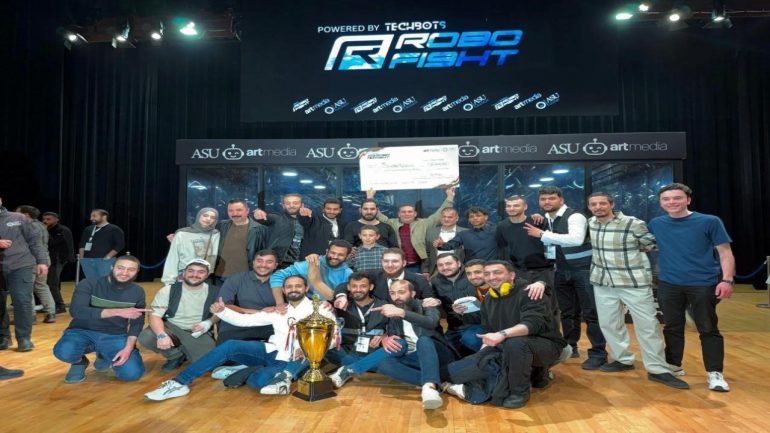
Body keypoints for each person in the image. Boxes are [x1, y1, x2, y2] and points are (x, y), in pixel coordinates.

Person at [144, 275, 335, 401]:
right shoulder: (279, 310)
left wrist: (307, 348)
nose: (293, 289)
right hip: (272, 351)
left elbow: (333, 338)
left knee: (259, 382)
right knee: (231, 345)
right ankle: (179, 383)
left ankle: (248, 370)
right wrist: (222, 311)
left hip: (295, 359)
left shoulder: (321, 309)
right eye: (289, 286)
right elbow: (244, 321)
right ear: (283, 290)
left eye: (298, 286)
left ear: (306, 288)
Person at [586, 192, 688, 389]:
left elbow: (652, 244)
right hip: (603, 283)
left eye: (602, 203)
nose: (598, 207)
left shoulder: (633, 223)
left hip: (633, 283)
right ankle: (622, 359)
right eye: (593, 204)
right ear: (589, 207)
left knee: (648, 326)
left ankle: (658, 369)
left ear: (611, 204)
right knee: (609, 324)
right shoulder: (591, 223)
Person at [648, 183, 735, 392]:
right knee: (672, 327)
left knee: (708, 328)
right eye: (666, 199)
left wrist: (727, 280)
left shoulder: (709, 221)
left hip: (703, 284)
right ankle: (673, 365)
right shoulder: (656, 223)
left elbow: (725, 253)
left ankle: (715, 373)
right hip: (669, 283)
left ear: (688, 200)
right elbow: (645, 245)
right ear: (661, 203)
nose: (672, 202)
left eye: (677, 198)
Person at [445, 261, 565, 409]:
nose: (491, 277)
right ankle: (535, 373)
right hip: (507, 347)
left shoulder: (530, 291)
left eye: (497, 272)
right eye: (487, 274)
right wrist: (480, 357)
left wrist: (502, 334)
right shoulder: (489, 300)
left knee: (515, 343)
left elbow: (533, 324)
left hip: (545, 345)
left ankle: (519, 393)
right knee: (454, 372)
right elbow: (488, 331)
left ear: (512, 275)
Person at [524, 186, 607, 369]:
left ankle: (598, 353)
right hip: (560, 270)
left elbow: (576, 239)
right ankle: (571, 346)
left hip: (583, 270)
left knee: (591, 313)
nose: (547, 202)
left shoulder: (575, 216)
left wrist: (542, 234)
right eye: (543, 199)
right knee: (567, 312)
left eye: (551, 198)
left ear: (561, 200)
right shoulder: (546, 218)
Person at [52, 255, 146, 383]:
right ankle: (79, 362)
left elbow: (137, 322)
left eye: (131, 270)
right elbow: (77, 311)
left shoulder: (138, 291)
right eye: (120, 268)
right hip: (81, 331)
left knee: (131, 374)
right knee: (64, 352)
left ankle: (104, 354)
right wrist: (118, 311)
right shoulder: (89, 283)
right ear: (112, 267)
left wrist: (128, 348)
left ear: (137, 272)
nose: (125, 273)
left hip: (115, 335)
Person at [374, 280, 459, 410]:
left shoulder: (426, 304)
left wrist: (402, 313)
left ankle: (429, 388)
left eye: (401, 292)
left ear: (412, 293)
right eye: (392, 293)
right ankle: (439, 384)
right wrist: (384, 338)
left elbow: (431, 323)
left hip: (437, 353)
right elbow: (386, 332)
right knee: (383, 364)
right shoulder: (391, 311)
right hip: (415, 357)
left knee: (423, 340)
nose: (396, 296)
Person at [138, 259, 220, 372]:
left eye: (201, 272)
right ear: (184, 272)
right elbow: (154, 315)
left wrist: (208, 322)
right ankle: (174, 355)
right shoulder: (168, 290)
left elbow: (219, 314)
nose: (195, 275)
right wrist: (161, 334)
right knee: (146, 336)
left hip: (197, 331)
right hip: (172, 327)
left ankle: (185, 350)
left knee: (210, 365)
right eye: (191, 271)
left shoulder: (216, 292)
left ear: (207, 275)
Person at [326, 272, 392, 388]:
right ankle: (364, 365)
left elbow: (395, 329)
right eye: (354, 286)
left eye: (363, 286)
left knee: (395, 346)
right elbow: (326, 305)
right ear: (348, 287)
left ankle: (349, 369)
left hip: (373, 351)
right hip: (347, 352)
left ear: (371, 287)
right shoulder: (339, 305)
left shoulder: (384, 306)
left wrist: (385, 335)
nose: (358, 290)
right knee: (324, 348)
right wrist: (326, 304)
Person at [0, 197, 49, 352]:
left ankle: (24, 339)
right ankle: (3, 337)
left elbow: (35, 241)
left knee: (22, 301)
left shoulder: (18, 218)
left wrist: (42, 261)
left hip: (20, 264)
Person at [371, 187, 456, 273]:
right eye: (403, 212)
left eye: (410, 211)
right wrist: (370, 197)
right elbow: (378, 215)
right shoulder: (392, 223)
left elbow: (438, 215)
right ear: (399, 214)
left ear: (415, 214)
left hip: (419, 266)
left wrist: (450, 197)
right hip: (397, 265)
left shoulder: (423, 223)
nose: (406, 214)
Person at [216, 250, 282, 344]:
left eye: (269, 262)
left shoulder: (282, 282)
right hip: (235, 328)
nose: (263, 265)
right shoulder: (236, 279)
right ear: (253, 263)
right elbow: (224, 306)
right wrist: (259, 312)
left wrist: (277, 308)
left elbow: (290, 306)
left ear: (276, 265)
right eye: (259, 261)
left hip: (268, 328)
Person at [334, 248, 436, 305]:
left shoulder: (419, 280)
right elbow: (344, 286)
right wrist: (342, 296)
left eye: (395, 261)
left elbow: (431, 302)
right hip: (380, 325)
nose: (390, 265)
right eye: (386, 261)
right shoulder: (372, 275)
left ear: (404, 263)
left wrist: (434, 302)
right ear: (381, 262)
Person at [496, 195, 554, 288]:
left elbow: (551, 244)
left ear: (525, 207)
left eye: (516, 205)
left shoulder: (537, 221)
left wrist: (552, 264)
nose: (512, 208)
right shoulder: (502, 226)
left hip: (544, 270)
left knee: (547, 296)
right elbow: (502, 249)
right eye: (508, 206)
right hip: (519, 271)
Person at [431, 253, 483, 353]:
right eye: (440, 265)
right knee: (446, 350)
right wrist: (436, 301)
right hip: (454, 325)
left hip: (478, 322)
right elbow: (435, 300)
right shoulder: (435, 281)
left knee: (470, 340)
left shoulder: (472, 276)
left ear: (458, 263)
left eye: (448, 263)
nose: (445, 267)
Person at [270, 240, 353, 300]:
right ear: (327, 251)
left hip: (331, 306)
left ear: (348, 256)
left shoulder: (348, 273)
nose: (335, 257)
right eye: (333, 253)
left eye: (340, 255)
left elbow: (344, 297)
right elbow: (278, 276)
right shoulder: (311, 262)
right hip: (305, 303)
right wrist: (280, 303)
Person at [210, 199, 268, 286]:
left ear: (247, 211)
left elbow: (264, 254)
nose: (235, 213)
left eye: (239, 210)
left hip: (246, 278)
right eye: (231, 210)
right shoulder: (221, 225)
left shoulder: (260, 229)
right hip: (220, 277)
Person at [15, 205, 57, 323]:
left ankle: (30, 317)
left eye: (17, 213)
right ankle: (50, 314)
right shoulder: (42, 226)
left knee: (27, 289)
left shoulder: (26, 226)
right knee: (42, 286)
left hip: (30, 261)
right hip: (44, 259)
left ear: (26, 214)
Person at [161, 208, 220, 285]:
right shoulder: (182, 233)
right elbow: (173, 258)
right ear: (199, 216)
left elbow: (213, 256)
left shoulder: (215, 234)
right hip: (184, 273)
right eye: (205, 215)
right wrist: (169, 281)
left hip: (204, 275)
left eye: (212, 217)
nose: (208, 219)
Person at [253, 193, 304, 269]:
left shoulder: (309, 221)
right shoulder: (276, 218)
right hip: (279, 264)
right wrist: (256, 213)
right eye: (288, 203)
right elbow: (259, 218)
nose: (291, 205)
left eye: (295, 203)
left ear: (302, 205)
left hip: (302, 264)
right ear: (283, 206)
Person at [42, 211, 76, 313]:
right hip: (49, 259)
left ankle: (60, 305)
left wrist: (44, 232)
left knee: (52, 283)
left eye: (48, 219)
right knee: (51, 283)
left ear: (56, 219)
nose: (45, 221)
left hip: (57, 260)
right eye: (44, 219)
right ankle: (51, 304)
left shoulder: (61, 230)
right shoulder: (48, 229)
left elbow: (53, 243)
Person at [78, 209, 125, 280]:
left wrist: (108, 257)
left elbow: (120, 245)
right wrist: (82, 259)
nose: (91, 218)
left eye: (94, 216)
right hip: (87, 260)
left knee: (105, 282)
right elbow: (82, 244)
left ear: (104, 217)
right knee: (91, 282)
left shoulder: (114, 229)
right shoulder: (88, 229)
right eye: (91, 216)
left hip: (105, 261)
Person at [424, 207, 467, 276]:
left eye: (450, 217)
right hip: (436, 270)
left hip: (459, 270)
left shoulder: (465, 232)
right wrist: (425, 270)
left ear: (457, 218)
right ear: (440, 218)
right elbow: (427, 252)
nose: (446, 219)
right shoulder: (431, 232)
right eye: (444, 217)